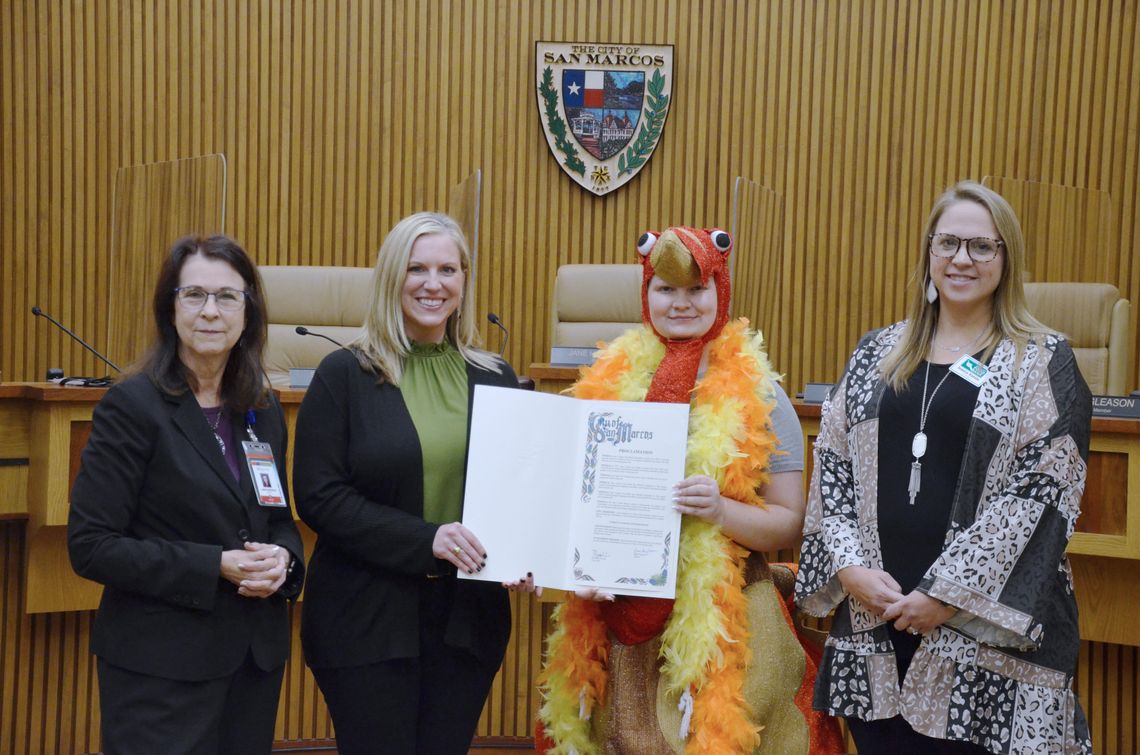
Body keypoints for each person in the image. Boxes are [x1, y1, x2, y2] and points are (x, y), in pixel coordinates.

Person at [795, 181, 1093, 754]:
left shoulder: (1043, 361)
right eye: (948, 242)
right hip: (874, 621)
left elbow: (1042, 491)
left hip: (986, 637)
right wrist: (851, 567)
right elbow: (831, 464)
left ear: (1007, 260)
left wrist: (946, 594)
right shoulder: (876, 352)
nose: (962, 258)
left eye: (982, 246)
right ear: (929, 252)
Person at [537, 227, 843, 754]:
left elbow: (791, 522)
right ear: (645, 294)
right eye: (665, 289)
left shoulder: (761, 395)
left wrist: (720, 509)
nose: (681, 304)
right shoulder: (602, 388)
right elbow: (568, 506)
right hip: (618, 616)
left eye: (696, 290)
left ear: (720, 292)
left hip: (727, 618)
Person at [293, 212, 536, 754]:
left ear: (465, 280)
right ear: (391, 278)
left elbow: (521, 488)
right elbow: (318, 496)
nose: (433, 283)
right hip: (365, 618)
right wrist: (425, 539)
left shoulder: (495, 375)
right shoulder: (344, 374)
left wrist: (530, 554)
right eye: (417, 268)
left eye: (448, 269)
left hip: (466, 622)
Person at [68, 235, 305, 755]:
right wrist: (212, 565)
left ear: (249, 312)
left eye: (227, 297)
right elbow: (92, 545)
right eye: (194, 295)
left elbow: (277, 517)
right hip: (161, 670)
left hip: (251, 664)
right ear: (169, 308)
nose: (210, 311)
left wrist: (285, 560)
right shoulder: (131, 407)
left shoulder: (260, 408)